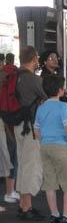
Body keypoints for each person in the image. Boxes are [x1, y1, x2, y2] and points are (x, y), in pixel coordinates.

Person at [34, 75, 67, 223]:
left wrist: (43, 141)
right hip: (60, 146)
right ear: (60, 90)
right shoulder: (64, 107)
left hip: (44, 147)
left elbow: (36, 129)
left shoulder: (41, 107)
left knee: (49, 182)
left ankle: (54, 215)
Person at [15, 46, 47, 221]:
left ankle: (23, 204)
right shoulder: (34, 80)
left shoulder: (13, 77)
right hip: (30, 128)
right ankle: (26, 207)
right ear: (34, 59)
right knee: (32, 166)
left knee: (22, 164)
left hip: (16, 125)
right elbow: (49, 98)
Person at [0, 53, 19, 205]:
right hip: (9, 120)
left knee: (9, 156)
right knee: (11, 156)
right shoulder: (12, 74)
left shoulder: (9, 75)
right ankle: (9, 191)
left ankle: (9, 191)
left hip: (5, 120)